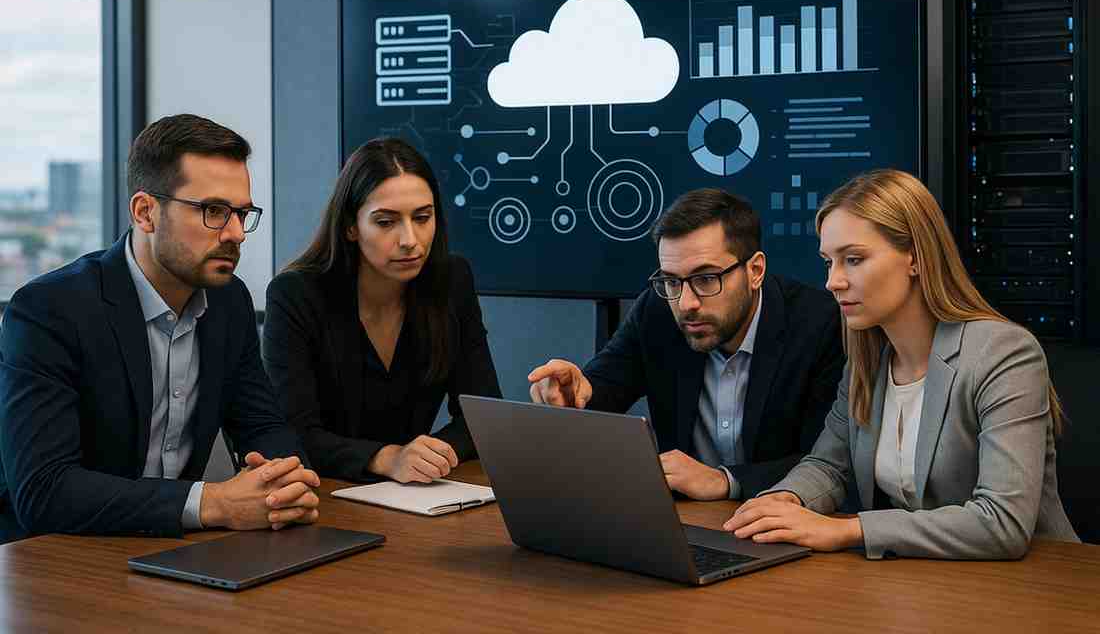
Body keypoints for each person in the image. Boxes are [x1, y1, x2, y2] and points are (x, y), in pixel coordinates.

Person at [725, 169, 1079, 559]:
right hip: (928, 585)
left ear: (914, 257)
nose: (833, 281)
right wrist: (783, 502)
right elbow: (828, 465)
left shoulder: (1004, 354)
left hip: (1038, 587)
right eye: (829, 262)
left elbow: (1001, 523)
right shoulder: (867, 361)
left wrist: (849, 529)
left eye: (854, 259)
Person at [0, 114, 320, 544]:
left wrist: (285, 484)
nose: (237, 233)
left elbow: (262, 424)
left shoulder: (229, 302)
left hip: (175, 553)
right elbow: (45, 491)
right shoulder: (49, 311)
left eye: (242, 213)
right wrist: (214, 502)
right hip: (56, 560)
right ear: (146, 212)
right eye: (214, 211)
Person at [528, 188, 844, 500]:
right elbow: (601, 390)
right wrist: (570, 396)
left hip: (784, 523)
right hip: (681, 520)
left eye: (706, 279)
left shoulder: (820, 325)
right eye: (671, 280)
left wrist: (726, 480)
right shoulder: (657, 310)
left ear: (755, 271)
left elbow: (828, 462)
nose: (685, 302)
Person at [263, 138, 503, 484]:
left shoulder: (452, 281)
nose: (410, 239)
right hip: (325, 494)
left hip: (415, 495)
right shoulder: (296, 295)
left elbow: (481, 416)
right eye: (386, 222)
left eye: (422, 217)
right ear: (350, 226)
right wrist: (386, 458)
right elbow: (292, 435)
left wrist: (427, 457)